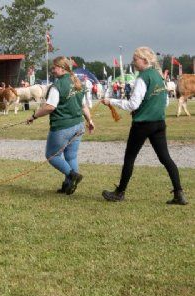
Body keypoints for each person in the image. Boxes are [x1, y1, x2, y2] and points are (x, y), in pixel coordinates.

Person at [101, 46, 187, 205]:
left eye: (136, 59)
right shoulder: (158, 76)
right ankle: (179, 193)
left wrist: (110, 101)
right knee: (166, 158)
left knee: (129, 158)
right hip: (159, 123)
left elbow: (132, 104)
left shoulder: (142, 78)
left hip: (142, 124)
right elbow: (166, 102)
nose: (133, 62)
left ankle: (120, 193)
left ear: (145, 60)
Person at [27, 56, 95, 194]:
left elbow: (50, 107)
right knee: (71, 157)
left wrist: (34, 116)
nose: (52, 70)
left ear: (63, 68)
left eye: (54, 67)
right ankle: (68, 185)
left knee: (52, 156)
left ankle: (72, 175)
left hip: (63, 127)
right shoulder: (77, 83)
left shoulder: (57, 86)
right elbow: (84, 106)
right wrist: (90, 121)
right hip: (78, 125)